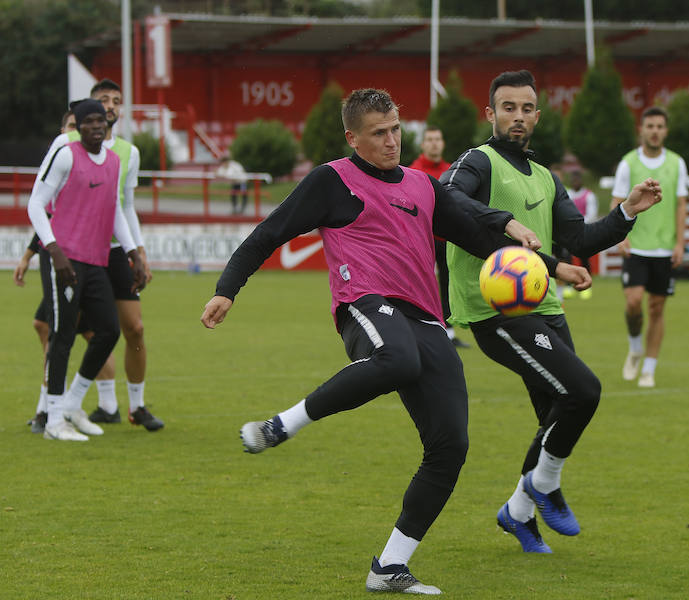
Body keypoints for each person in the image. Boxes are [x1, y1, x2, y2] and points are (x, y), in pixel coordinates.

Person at [201, 88, 586, 594]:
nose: (391, 141)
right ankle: (283, 425)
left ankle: (389, 566)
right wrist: (227, 290)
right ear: (352, 138)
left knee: (450, 445)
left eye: (395, 129)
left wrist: (555, 267)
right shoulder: (331, 180)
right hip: (366, 304)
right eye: (378, 133)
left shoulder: (422, 186)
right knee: (397, 359)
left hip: (425, 317)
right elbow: (268, 233)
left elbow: (478, 234)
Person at [441, 70, 661, 554]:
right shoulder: (477, 163)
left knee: (556, 416)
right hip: (494, 313)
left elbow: (579, 240)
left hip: (545, 309)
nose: (516, 117)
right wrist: (510, 225)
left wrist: (626, 211)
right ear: (491, 113)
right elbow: (447, 199)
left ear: (537, 116)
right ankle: (545, 487)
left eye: (525, 109)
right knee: (584, 391)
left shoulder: (546, 177)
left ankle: (518, 514)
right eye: (507, 107)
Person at [36, 79, 163, 430]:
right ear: (87, 109)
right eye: (103, 100)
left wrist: (137, 252)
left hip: (111, 252)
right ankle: (50, 410)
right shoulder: (65, 145)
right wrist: (45, 248)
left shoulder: (127, 153)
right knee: (57, 329)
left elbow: (125, 207)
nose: (109, 106)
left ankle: (130, 407)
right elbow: (43, 201)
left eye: (116, 101)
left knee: (129, 328)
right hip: (72, 252)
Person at [610, 106, 688, 389]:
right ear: (641, 130)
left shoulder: (677, 163)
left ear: (665, 131)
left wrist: (680, 242)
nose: (655, 131)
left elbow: (681, 204)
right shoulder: (628, 163)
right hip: (636, 246)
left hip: (664, 248)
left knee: (656, 308)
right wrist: (620, 235)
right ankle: (634, 348)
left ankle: (649, 369)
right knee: (633, 303)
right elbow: (616, 200)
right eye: (650, 126)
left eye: (659, 126)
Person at [408, 126, 469, 348]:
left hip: (447, 239)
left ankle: (449, 333)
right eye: (430, 139)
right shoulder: (413, 171)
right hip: (423, 238)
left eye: (437, 139)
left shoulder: (451, 171)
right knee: (421, 284)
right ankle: (420, 330)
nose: (434, 143)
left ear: (442, 143)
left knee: (448, 285)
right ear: (423, 144)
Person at [561, 169, 599, 300]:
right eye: (573, 180)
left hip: (583, 230)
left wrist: (578, 224)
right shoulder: (567, 194)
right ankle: (567, 285)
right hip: (568, 231)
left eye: (577, 180)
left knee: (584, 257)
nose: (575, 182)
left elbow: (592, 214)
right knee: (566, 258)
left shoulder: (589, 195)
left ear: (581, 181)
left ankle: (586, 286)